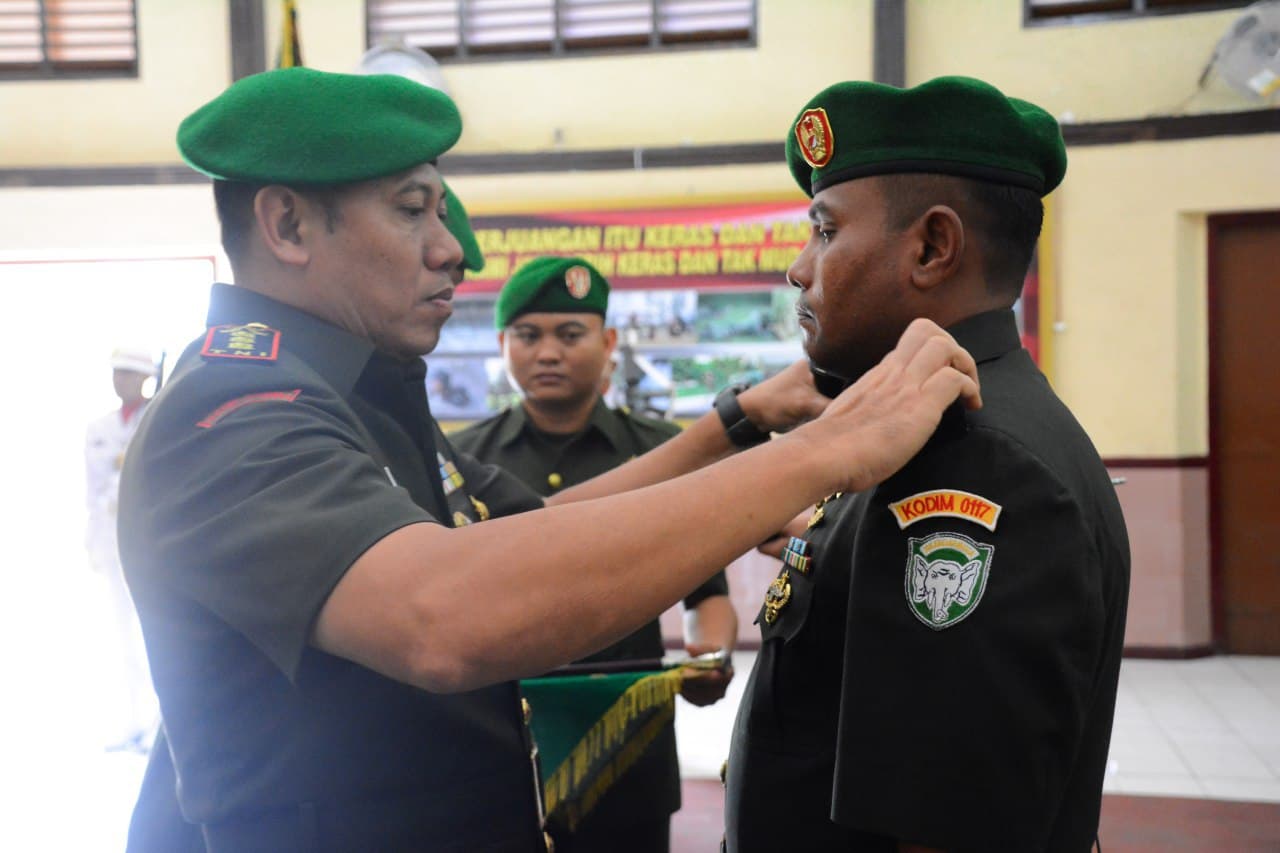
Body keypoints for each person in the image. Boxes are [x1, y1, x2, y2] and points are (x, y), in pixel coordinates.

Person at [119, 67, 981, 851]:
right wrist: (829, 450)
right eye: (412, 208)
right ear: (287, 224)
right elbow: (441, 614)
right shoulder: (233, 411)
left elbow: (540, 528)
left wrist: (740, 425)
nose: (450, 246)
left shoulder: (355, 395)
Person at [723, 76, 1131, 852]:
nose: (799, 269)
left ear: (932, 246)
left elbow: (947, 821)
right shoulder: (926, 431)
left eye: (825, 230)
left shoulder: (973, 462)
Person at [452, 256, 738, 853]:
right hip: (499, 740)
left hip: (626, 749)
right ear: (503, 344)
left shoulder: (667, 453)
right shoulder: (461, 465)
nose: (548, 352)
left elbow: (705, 593)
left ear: (608, 342)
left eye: (570, 334)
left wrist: (709, 652)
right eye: (529, 336)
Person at [85, 346, 158, 753]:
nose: (121, 381)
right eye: (117, 373)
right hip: (112, 542)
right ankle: (136, 721)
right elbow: (93, 491)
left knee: (154, 634)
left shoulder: (158, 417)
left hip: (148, 545)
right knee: (124, 635)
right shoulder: (100, 426)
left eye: (128, 373)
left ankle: (160, 726)